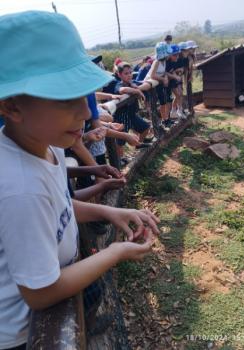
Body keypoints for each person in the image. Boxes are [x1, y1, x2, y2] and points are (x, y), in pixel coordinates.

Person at [0, 11, 159, 350]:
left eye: (84, 96)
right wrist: (115, 252)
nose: (86, 113)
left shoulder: (46, 147)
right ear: (11, 106)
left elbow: (58, 205)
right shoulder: (19, 188)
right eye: (66, 100)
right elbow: (41, 293)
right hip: (23, 337)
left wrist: (108, 213)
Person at [114, 62, 152, 163]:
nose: (129, 75)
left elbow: (147, 84)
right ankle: (120, 159)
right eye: (126, 73)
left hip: (132, 114)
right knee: (120, 140)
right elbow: (122, 90)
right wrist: (137, 91)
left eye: (130, 72)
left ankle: (137, 145)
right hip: (121, 116)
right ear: (119, 75)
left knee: (145, 127)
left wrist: (137, 87)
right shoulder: (119, 84)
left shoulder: (133, 82)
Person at [145, 42, 172, 128]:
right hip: (151, 84)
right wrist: (163, 79)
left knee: (164, 102)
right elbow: (152, 75)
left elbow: (163, 72)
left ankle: (166, 119)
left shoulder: (164, 62)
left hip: (159, 83)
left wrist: (165, 77)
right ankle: (161, 121)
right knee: (159, 103)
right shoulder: (156, 62)